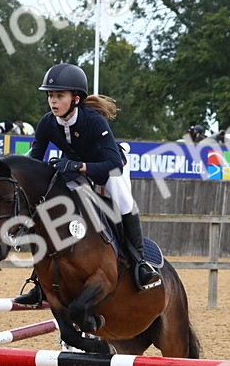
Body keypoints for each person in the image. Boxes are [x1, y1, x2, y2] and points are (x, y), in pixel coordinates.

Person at [13, 62, 161, 306]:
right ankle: (40, 281)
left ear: (76, 99)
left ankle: (140, 264)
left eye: (59, 96)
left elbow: (112, 164)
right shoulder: (47, 123)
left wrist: (78, 167)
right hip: (74, 165)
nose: (53, 101)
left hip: (110, 166)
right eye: (50, 95)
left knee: (123, 201)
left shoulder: (94, 122)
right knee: (52, 203)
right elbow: (34, 158)